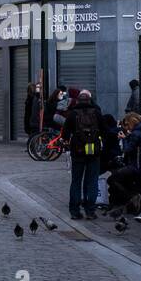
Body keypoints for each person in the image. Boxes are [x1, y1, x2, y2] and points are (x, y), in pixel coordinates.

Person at [62, 89, 104, 220]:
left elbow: (65, 134)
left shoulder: (72, 114)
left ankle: (74, 211)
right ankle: (90, 210)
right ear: (90, 100)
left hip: (78, 151)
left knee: (76, 181)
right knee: (92, 180)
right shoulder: (96, 113)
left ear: (78, 101)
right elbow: (105, 130)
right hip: (93, 151)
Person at [108, 113, 141, 210]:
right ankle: (130, 200)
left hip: (136, 166)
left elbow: (127, 149)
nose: (126, 127)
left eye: (126, 124)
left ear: (131, 122)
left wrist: (124, 139)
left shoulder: (136, 133)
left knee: (112, 179)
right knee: (122, 179)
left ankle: (132, 196)